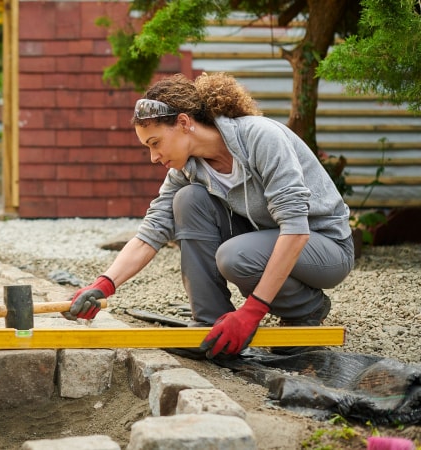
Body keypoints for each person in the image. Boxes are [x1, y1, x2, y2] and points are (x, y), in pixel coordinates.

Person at [65, 72, 355, 359]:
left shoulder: (259, 138)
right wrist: (103, 285)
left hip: (324, 247)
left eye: (155, 143)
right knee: (189, 199)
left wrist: (251, 314)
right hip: (268, 239)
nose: (153, 157)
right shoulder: (188, 169)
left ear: (183, 123)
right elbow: (151, 232)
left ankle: (306, 309)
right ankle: (210, 323)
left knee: (235, 256)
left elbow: (295, 230)